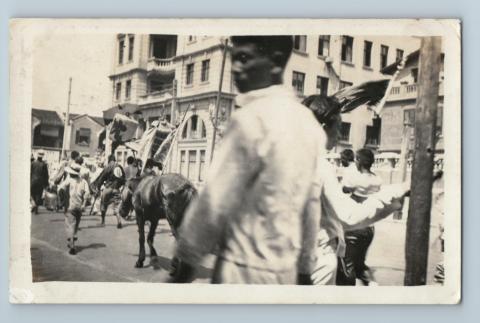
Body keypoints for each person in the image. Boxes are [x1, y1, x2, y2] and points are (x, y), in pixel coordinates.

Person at [171, 36, 326, 284]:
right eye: (234, 58)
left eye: (244, 58)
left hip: (240, 272)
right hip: (284, 275)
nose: (235, 67)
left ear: (275, 63)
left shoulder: (250, 119)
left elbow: (214, 203)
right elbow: (310, 206)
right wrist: (305, 270)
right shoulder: (309, 124)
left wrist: (185, 266)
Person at [302, 88, 408, 285]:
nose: (340, 133)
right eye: (339, 126)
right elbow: (350, 216)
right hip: (317, 260)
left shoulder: (291, 158)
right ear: (323, 127)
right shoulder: (319, 164)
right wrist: (398, 190)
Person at [338, 148, 383, 286]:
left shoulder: (356, 179)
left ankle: (348, 296)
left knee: (348, 265)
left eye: (356, 159)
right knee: (360, 264)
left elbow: (344, 189)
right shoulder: (377, 179)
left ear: (359, 162)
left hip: (354, 226)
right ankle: (372, 286)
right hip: (369, 227)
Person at [58, 163, 89, 255]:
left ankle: (72, 244)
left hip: (70, 206)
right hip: (79, 206)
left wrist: (62, 201)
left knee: (69, 224)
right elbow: (87, 194)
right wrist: (83, 204)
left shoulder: (68, 181)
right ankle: (72, 238)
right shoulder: (83, 182)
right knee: (76, 224)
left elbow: (60, 189)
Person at [91, 155, 126, 228]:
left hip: (108, 188)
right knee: (116, 207)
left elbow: (102, 178)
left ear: (109, 160)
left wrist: (98, 187)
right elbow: (123, 179)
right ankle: (119, 221)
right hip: (116, 189)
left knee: (103, 205)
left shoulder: (108, 167)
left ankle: (103, 222)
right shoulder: (120, 167)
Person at [31, 150, 49, 214]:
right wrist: (46, 184)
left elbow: (30, 172)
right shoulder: (44, 164)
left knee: (31, 194)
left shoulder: (33, 163)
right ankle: (36, 209)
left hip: (32, 181)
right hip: (40, 182)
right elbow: (46, 175)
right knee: (38, 195)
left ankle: (33, 204)